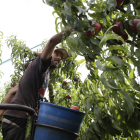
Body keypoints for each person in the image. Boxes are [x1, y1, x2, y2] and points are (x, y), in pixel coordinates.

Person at [0, 29, 72, 140]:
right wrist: (73, 28)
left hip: (22, 122)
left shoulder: (44, 75)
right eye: (56, 53)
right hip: (17, 121)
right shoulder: (40, 65)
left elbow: (13, 91)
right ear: (49, 52)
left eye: (61, 57)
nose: (59, 58)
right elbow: (52, 41)